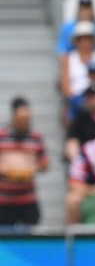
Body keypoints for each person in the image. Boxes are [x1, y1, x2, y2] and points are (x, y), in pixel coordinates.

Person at [0, 97, 48, 227]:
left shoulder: (36, 137)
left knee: (29, 234)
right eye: (21, 119)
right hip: (4, 199)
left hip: (27, 198)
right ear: (13, 117)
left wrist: (32, 168)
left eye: (27, 119)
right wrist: (6, 168)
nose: (24, 123)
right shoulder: (1, 136)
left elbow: (44, 163)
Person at [61, 22, 95, 100]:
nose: (85, 42)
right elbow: (65, 85)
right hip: (76, 98)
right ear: (76, 41)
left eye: (88, 39)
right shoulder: (69, 58)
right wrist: (75, 98)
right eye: (82, 39)